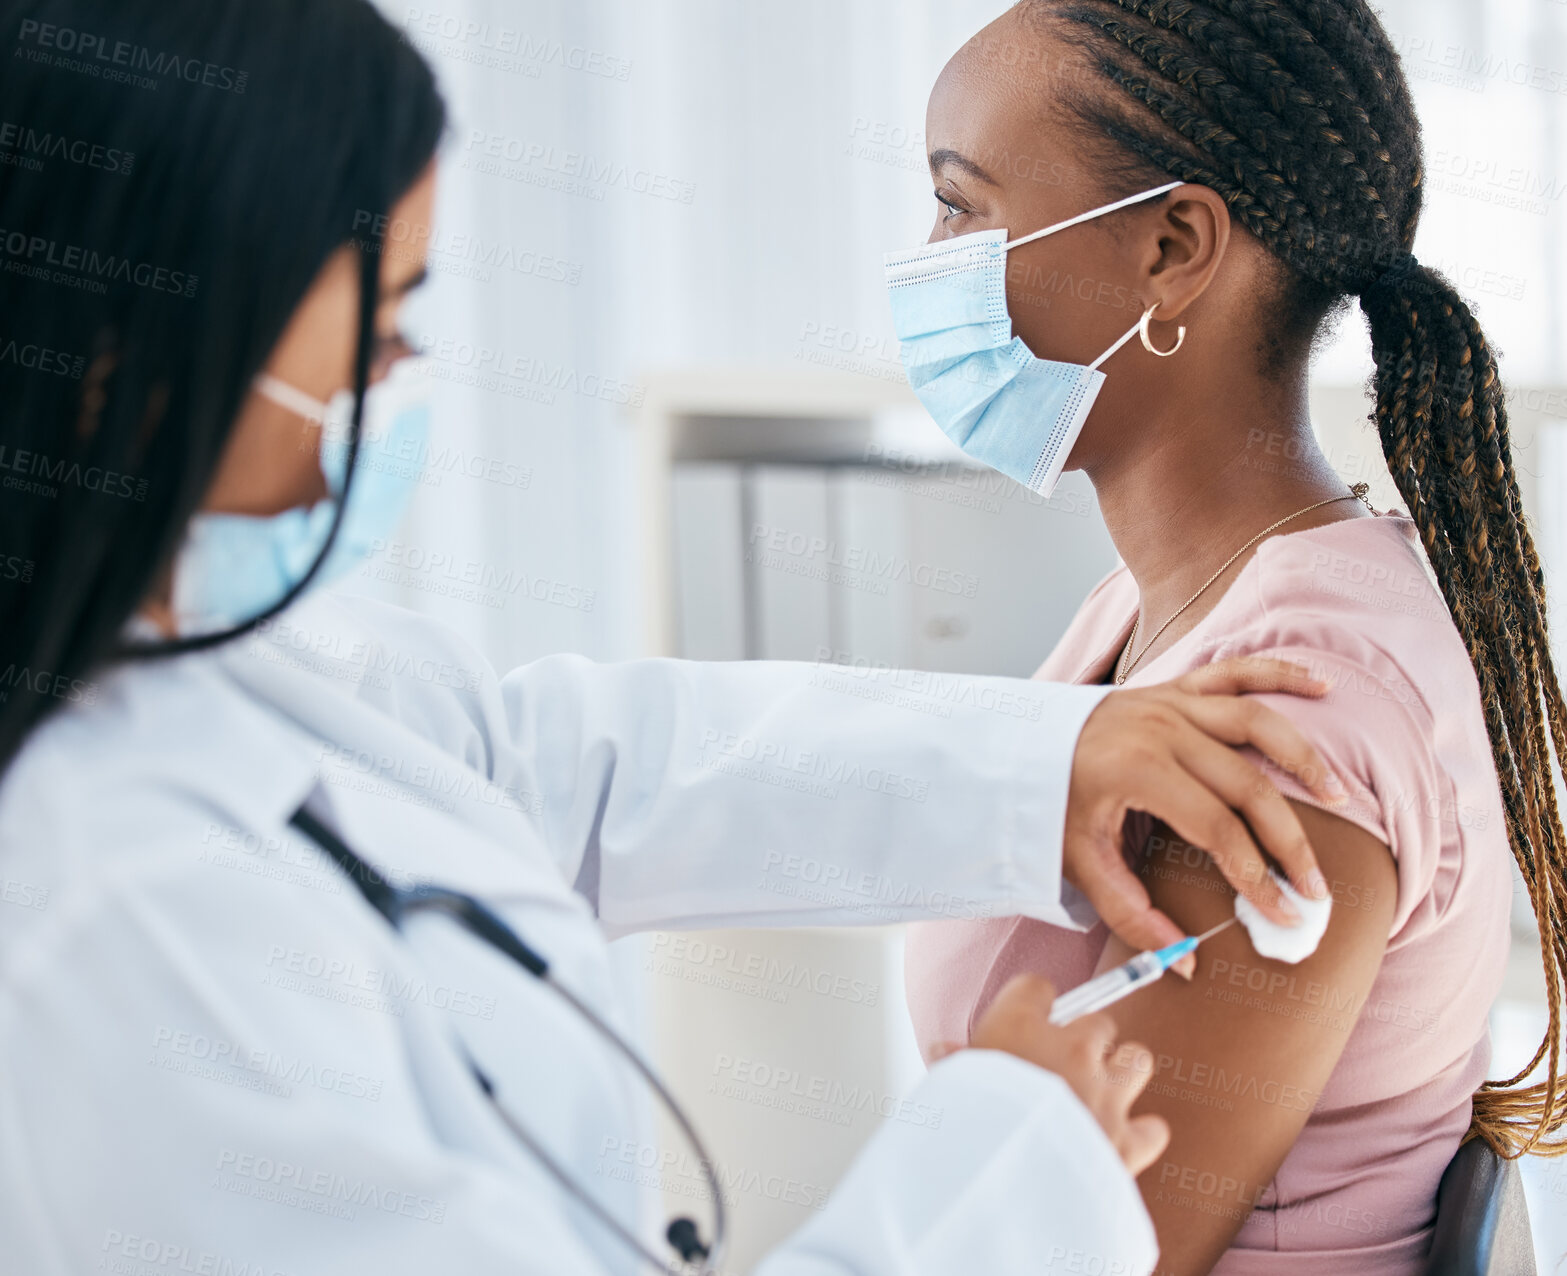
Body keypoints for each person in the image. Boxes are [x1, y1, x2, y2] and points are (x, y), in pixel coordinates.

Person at [0, 2, 1348, 1274]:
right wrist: (1001, 1179)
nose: (401, 378)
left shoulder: (213, 661)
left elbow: (552, 768)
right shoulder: (110, 918)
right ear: (138, 346)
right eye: (387, 319)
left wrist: (1038, 769)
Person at [900, 3, 1567, 1274]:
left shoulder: (1290, 707)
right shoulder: (1168, 603)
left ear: (1171, 246)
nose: (927, 260)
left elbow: (1102, 1251)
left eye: (960, 206)